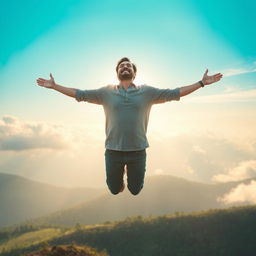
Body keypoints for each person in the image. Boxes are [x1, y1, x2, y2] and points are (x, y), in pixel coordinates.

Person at [36, 57, 223, 195]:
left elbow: (176, 93)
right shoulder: (105, 92)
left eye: (128, 66)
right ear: (117, 72)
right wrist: (55, 86)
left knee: (135, 190)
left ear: (134, 73)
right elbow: (80, 94)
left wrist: (201, 83)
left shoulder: (147, 92)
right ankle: (120, 177)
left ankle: (130, 176)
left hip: (137, 151)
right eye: (121, 66)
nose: (125, 67)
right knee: (115, 190)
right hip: (113, 151)